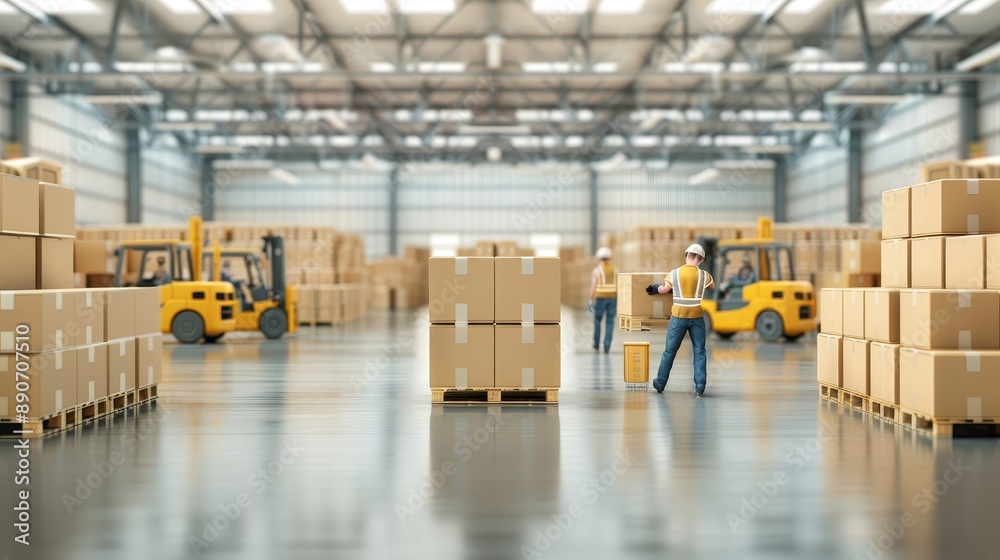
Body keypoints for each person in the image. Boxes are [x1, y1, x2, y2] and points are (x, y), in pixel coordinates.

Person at [645, 243, 715, 397]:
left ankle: (660, 383)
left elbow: (664, 290)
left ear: (686, 256)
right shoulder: (705, 275)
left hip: (678, 317)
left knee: (669, 351)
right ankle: (700, 387)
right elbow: (712, 287)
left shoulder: (674, 273)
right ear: (701, 259)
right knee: (699, 351)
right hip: (697, 317)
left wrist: (656, 288)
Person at [588, 246, 618, 353]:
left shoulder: (597, 271)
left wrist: (590, 301)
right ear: (609, 257)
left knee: (597, 321)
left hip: (600, 298)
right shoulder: (615, 270)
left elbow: (593, 286)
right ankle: (607, 345)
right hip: (613, 298)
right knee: (610, 322)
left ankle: (596, 344)